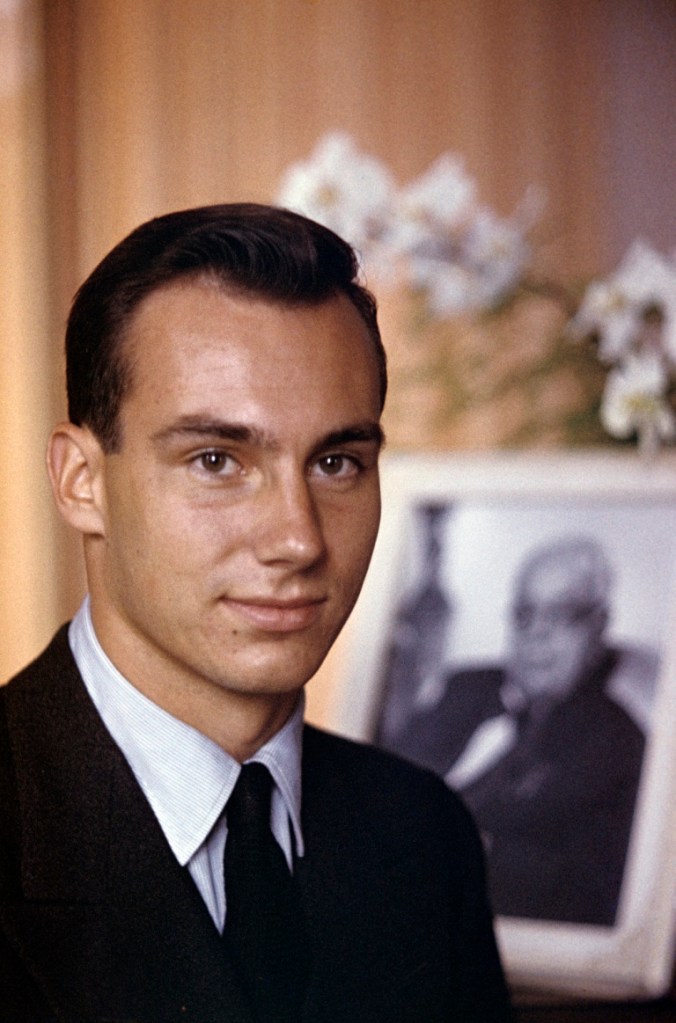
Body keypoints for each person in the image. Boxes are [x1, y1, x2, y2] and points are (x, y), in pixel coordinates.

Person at [0, 204, 512, 1022]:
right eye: (216, 459)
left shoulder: (425, 836)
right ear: (80, 481)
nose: (298, 538)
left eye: (338, 462)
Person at [387, 535, 652, 926]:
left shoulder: (617, 746)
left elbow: (585, 889)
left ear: (599, 627)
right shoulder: (463, 689)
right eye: (525, 614)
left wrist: (477, 852)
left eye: (562, 615)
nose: (537, 633)